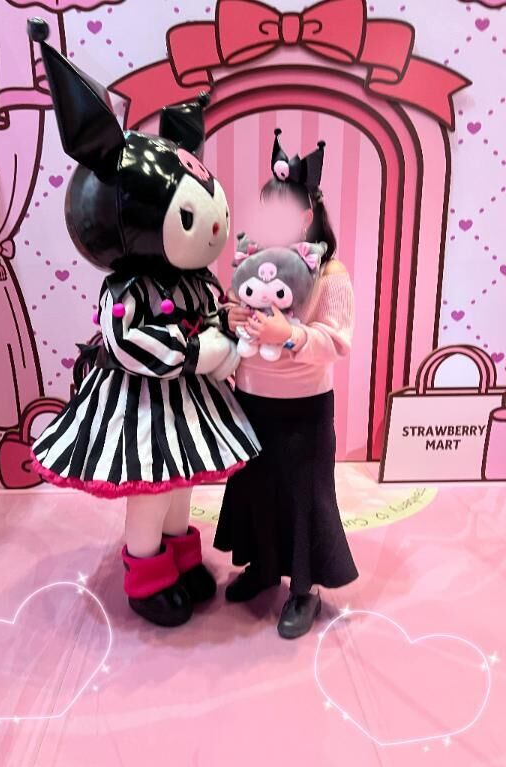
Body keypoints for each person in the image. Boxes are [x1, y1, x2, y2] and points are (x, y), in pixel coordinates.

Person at [27, 19, 259, 628]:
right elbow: (129, 341)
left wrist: (230, 338)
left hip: (188, 402)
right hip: (141, 406)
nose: (213, 230)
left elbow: (216, 313)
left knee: (183, 483)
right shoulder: (128, 288)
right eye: (193, 217)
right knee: (151, 486)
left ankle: (181, 558)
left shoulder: (194, 280)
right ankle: (147, 575)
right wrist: (199, 352)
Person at [214, 129, 359, 640]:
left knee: (303, 497)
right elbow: (239, 313)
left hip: (305, 408)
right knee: (257, 488)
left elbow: (337, 341)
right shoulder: (255, 262)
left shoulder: (330, 273)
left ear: (305, 216)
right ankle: (261, 567)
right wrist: (232, 318)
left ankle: (304, 590)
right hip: (252, 401)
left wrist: (290, 335)